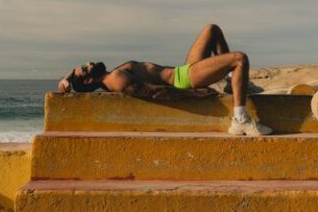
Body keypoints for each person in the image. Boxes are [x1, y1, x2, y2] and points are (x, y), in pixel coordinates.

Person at [57, 24, 272, 136]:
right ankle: (240, 119)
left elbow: (76, 79)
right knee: (239, 59)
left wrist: (67, 78)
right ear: (87, 81)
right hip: (184, 80)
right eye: (85, 68)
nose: (89, 63)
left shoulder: (111, 74)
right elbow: (156, 92)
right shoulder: (116, 81)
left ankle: (232, 82)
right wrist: (193, 94)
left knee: (212, 30)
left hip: (182, 70)